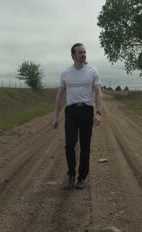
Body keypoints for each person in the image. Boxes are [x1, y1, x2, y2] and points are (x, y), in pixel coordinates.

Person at [53, 43, 103, 190]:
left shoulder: (93, 71)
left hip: (87, 111)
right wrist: (56, 115)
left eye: (84, 52)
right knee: (70, 144)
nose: (83, 54)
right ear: (73, 55)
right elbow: (60, 94)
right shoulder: (66, 73)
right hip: (71, 112)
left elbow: (98, 93)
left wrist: (99, 112)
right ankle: (71, 174)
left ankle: (82, 177)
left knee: (85, 146)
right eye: (80, 52)